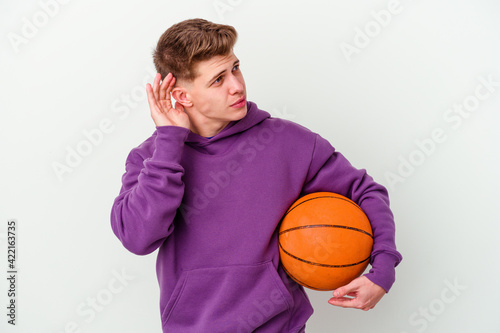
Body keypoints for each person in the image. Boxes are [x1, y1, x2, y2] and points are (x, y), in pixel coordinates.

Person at [110, 18, 402, 333]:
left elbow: (365, 191)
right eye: (218, 79)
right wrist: (169, 143)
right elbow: (138, 238)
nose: (237, 85)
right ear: (182, 97)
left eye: (235, 68)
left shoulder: (289, 142)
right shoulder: (152, 158)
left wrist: (382, 270)